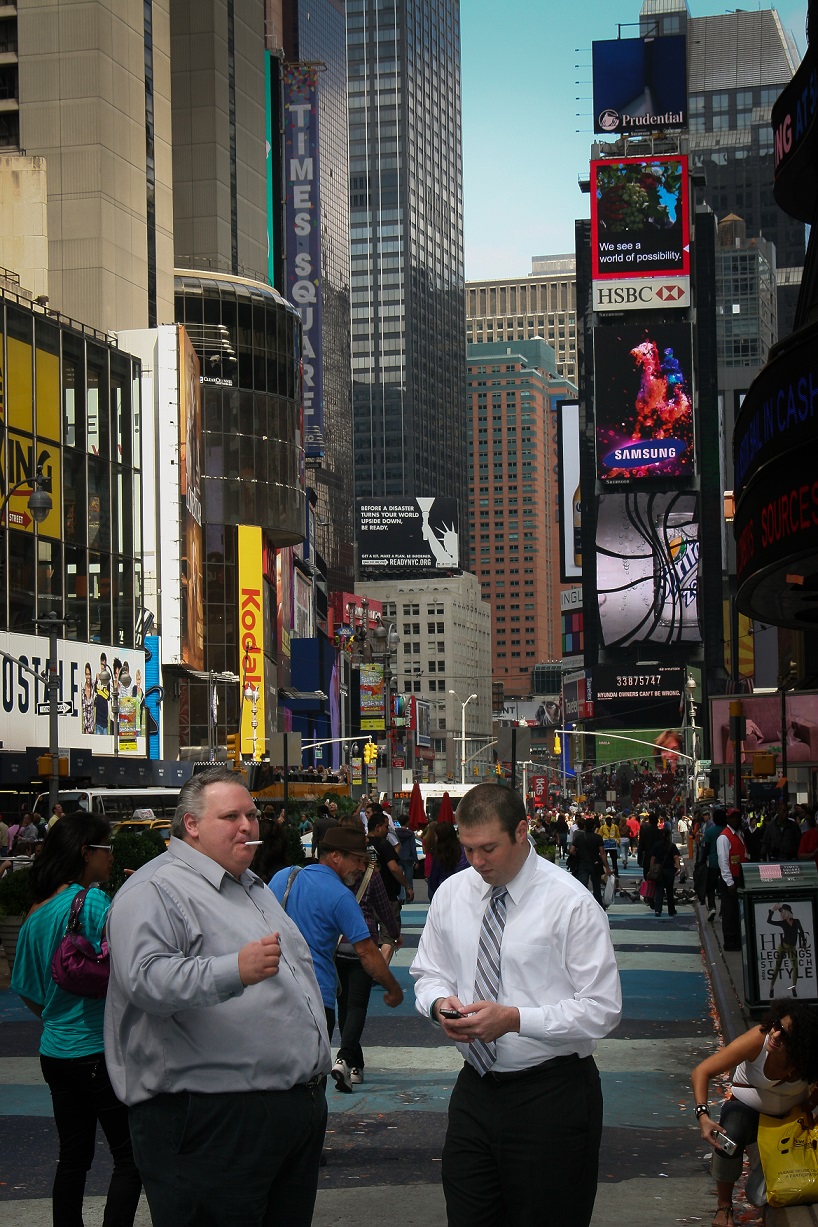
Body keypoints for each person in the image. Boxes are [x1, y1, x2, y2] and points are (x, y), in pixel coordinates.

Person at [104, 766, 331, 1227]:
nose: (248, 826)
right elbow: (145, 979)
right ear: (191, 825)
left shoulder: (250, 884)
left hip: (283, 1112)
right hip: (211, 1120)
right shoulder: (155, 889)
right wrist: (235, 970)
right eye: (231, 816)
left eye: (252, 814)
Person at [410, 783, 622, 1227]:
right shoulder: (453, 894)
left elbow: (602, 1008)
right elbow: (428, 971)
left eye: (489, 848)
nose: (478, 861)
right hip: (476, 1088)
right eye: (468, 849)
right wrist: (437, 1005)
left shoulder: (571, 904)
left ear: (522, 831)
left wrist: (514, 1020)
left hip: (553, 1094)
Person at [10, 813, 142, 1227]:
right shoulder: (95, 902)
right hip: (99, 1051)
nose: (111, 855)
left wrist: (57, 1016)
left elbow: (28, 989)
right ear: (87, 853)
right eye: (106, 848)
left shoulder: (36, 916)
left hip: (55, 1053)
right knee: (130, 1157)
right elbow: (136, 961)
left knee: (73, 1158)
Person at [270, 825, 403, 1092]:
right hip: (316, 996)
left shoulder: (286, 877)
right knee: (310, 1082)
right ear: (335, 856)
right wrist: (393, 988)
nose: (360, 867)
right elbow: (367, 952)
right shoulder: (342, 896)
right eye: (357, 860)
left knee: (277, 1075)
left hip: (276, 991)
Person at [691, 1001, 818, 1227]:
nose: (775, 1035)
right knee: (729, 1136)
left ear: (801, 1045)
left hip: (788, 1121)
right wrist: (703, 1115)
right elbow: (702, 1071)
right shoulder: (759, 1039)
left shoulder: (809, 1061)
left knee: (765, 1192)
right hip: (747, 1112)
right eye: (777, 1025)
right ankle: (724, 1206)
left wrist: (811, 1108)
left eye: (786, 1035)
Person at [717, 807, 748, 952]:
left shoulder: (739, 834)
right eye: (733, 817)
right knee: (729, 911)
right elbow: (723, 861)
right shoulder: (724, 837)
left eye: (737, 817)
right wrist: (729, 882)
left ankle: (736, 939)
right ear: (728, 819)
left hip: (739, 876)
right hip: (730, 879)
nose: (736, 820)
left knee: (736, 911)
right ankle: (729, 941)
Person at [767, 903, 809, 997]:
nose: (781, 914)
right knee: (777, 967)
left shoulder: (796, 921)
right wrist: (772, 911)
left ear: (787, 912)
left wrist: (804, 944)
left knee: (795, 967)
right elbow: (769, 921)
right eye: (781, 912)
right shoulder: (782, 923)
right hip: (782, 946)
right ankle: (771, 987)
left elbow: (801, 932)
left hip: (792, 947)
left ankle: (793, 987)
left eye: (782, 912)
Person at [427, 820, 468, 901]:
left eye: (436, 836)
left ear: (440, 837)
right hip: (463, 891)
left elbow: (433, 879)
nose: (435, 838)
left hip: (443, 891)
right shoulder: (464, 851)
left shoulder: (439, 854)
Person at [649, 823, 680, 919]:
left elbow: (653, 858)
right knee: (670, 890)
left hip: (659, 870)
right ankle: (671, 910)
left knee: (659, 890)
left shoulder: (656, 845)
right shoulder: (672, 846)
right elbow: (676, 857)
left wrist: (651, 870)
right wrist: (678, 868)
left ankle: (658, 909)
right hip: (670, 870)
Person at [702, 809, 727, 923]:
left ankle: (712, 907)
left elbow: (706, 849)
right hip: (726, 864)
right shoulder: (728, 831)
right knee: (724, 888)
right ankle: (723, 911)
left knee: (710, 887)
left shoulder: (710, 832)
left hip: (713, 863)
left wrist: (701, 861)